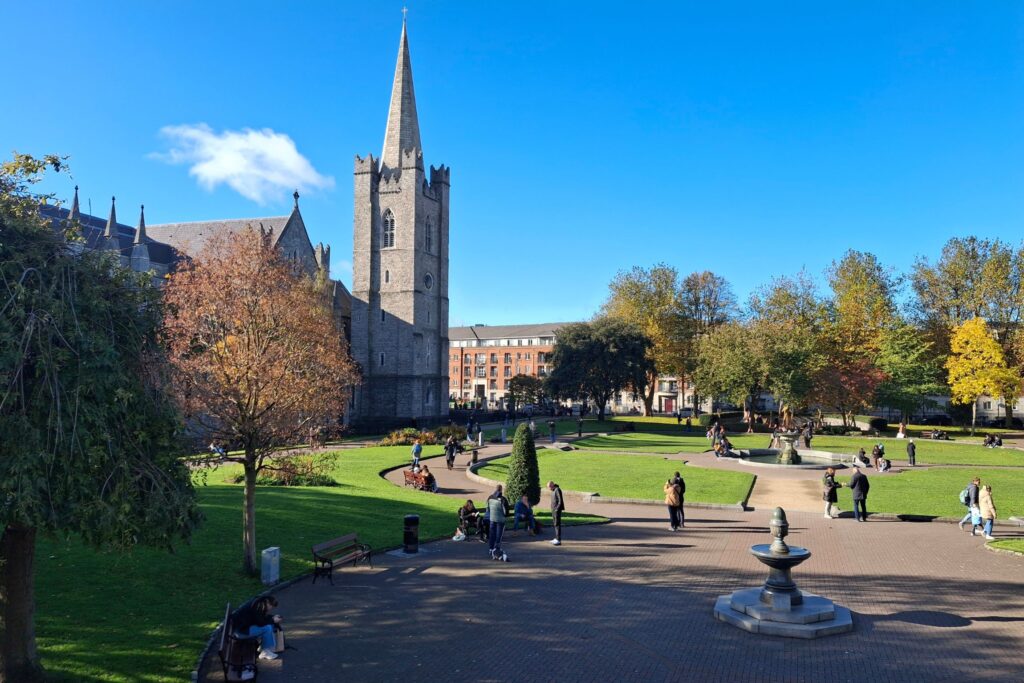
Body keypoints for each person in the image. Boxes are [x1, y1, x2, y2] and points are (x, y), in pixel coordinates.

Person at [232, 596, 282, 660]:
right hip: (241, 632)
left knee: (269, 625)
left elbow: (260, 618)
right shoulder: (258, 606)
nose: (271, 608)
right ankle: (265, 652)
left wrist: (272, 617)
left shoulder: (259, 603)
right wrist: (273, 620)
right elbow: (260, 622)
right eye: (271, 606)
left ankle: (264, 647)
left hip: (243, 628)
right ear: (267, 602)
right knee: (267, 628)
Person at [487, 485, 510, 560]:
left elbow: (488, 508)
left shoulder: (490, 497)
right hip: (500, 520)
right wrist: (505, 516)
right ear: (501, 490)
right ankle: (496, 550)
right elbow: (506, 511)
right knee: (498, 536)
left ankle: (491, 549)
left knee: (492, 534)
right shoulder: (503, 499)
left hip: (492, 519)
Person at [548, 480, 565, 546]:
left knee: (557, 524)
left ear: (552, 485)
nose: (549, 488)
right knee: (555, 524)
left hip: (556, 510)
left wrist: (557, 509)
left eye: (549, 487)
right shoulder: (553, 490)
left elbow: (560, 501)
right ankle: (556, 538)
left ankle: (558, 540)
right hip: (553, 510)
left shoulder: (557, 490)